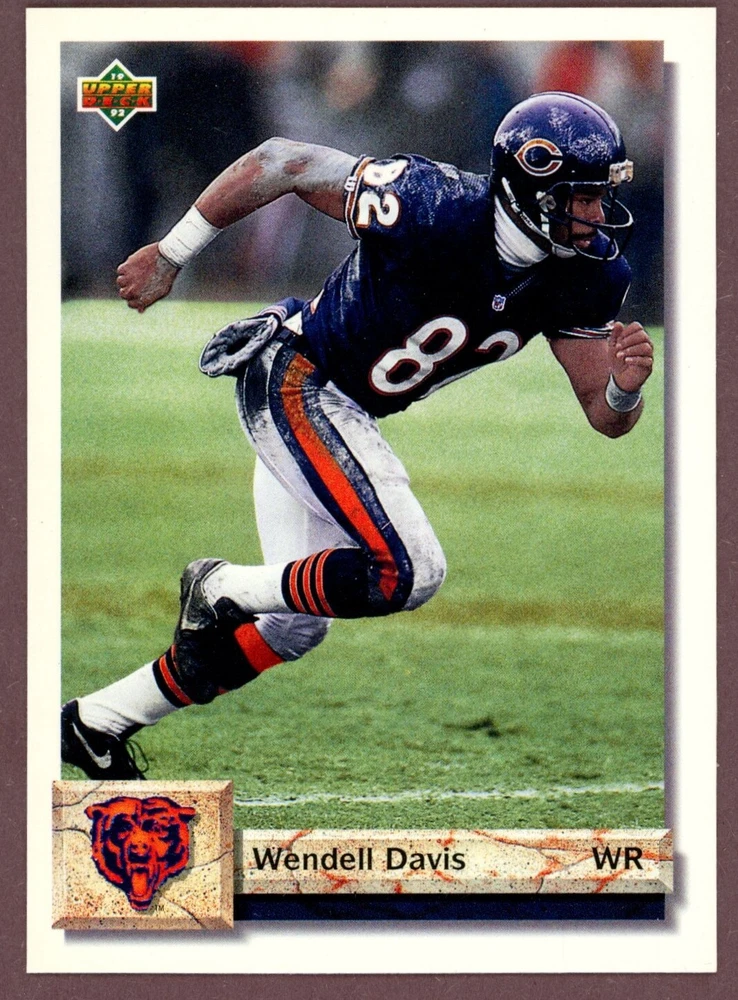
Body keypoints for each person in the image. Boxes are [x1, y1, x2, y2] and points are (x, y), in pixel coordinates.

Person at [61, 91, 654, 779]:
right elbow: (280, 161)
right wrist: (172, 252)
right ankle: (221, 585)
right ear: (531, 185)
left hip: (340, 408)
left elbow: (605, 415)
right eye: (582, 197)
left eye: (600, 195)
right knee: (411, 570)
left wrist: (624, 388)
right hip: (298, 379)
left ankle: (97, 721)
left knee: (293, 624)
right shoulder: (430, 203)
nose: (596, 215)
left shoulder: (588, 272)